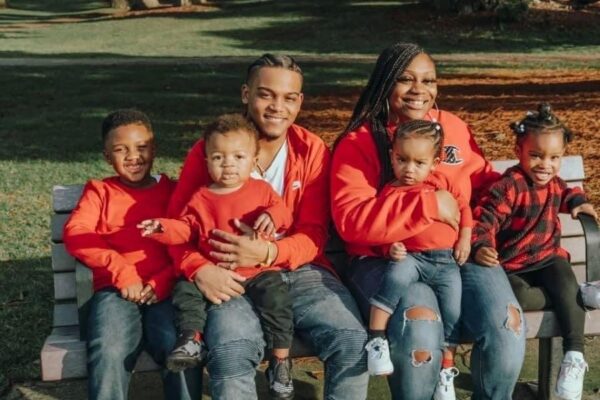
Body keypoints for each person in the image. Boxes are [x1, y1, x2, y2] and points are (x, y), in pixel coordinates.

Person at [331, 42, 525, 400]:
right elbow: (352, 221)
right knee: (421, 328)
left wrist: (524, 193)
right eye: (405, 79)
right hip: (390, 261)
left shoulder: (452, 128)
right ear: (385, 83)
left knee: (508, 324)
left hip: (457, 254)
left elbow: (484, 187)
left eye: (429, 80)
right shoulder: (359, 143)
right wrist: (429, 205)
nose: (419, 89)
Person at [168, 54, 369, 399]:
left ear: (300, 101)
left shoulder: (311, 150)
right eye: (266, 94)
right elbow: (176, 227)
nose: (278, 107)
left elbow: (314, 232)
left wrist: (271, 250)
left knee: (351, 341)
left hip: (299, 271)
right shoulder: (212, 151)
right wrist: (199, 269)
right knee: (232, 351)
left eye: (289, 98)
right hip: (229, 275)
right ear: (246, 94)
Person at [138, 113, 296, 399]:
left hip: (257, 273)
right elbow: (185, 229)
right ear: (207, 160)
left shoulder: (261, 191)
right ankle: (192, 339)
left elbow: (284, 212)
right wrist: (162, 227)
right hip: (216, 273)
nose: (228, 165)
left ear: (253, 159)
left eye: (238, 157)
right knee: (185, 291)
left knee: (278, 299)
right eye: (218, 158)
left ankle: (280, 361)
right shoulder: (200, 198)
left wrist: (272, 216)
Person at [62, 109, 201, 400]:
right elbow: (77, 233)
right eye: (120, 150)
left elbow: (187, 243)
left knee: (177, 344)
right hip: (115, 291)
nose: (133, 156)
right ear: (106, 156)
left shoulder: (173, 192)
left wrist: (161, 282)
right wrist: (122, 271)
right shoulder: (100, 192)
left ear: (154, 149)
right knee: (109, 347)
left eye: (141, 147)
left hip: (164, 292)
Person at [472, 103, 598, 400]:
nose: (545, 164)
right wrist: (482, 246)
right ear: (519, 150)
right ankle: (577, 294)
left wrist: (579, 201)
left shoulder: (555, 183)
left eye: (554, 158)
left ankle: (574, 356)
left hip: (547, 259)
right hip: (513, 266)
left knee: (562, 278)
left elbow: (568, 193)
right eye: (536, 155)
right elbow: (485, 218)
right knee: (524, 298)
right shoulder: (510, 186)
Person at [363, 120, 471, 396]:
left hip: (446, 262)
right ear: (392, 155)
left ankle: (446, 369)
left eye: (419, 163)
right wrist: (390, 248)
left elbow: (464, 210)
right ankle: (376, 341)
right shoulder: (391, 191)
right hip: (413, 258)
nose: (409, 169)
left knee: (453, 312)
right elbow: (384, 227)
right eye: (402, 160)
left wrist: (465, 238)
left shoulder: (442, 184)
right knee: (394, 280)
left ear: (435, 162)